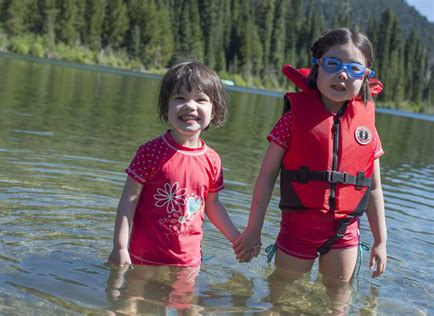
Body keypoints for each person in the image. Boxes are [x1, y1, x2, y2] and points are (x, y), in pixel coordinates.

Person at [233, 28, 387, 313]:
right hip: (297, 230)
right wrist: (253, 229)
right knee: (281, 301)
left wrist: (380, 241)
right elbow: (266, 177)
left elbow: (374, 188)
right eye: (333, 64)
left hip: (344, 232)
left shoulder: (368, 127)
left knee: (337, 305)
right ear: (317, 65)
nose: (342, 75)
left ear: (366, 76)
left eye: (353, 69)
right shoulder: (293, 119)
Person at [108, 60, 242, 270]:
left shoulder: (212, 159)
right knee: (131, 302)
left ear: (213, 111)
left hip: (188, 263)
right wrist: (120, 247)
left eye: (201, 99)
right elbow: (128, 201)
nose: (190, 105)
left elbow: (213, 205)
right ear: (166, 107)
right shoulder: (151, 152)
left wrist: (236, 239)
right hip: (143, 258)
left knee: (188, 303)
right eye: (180, 98)